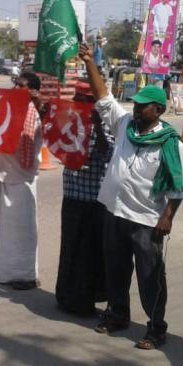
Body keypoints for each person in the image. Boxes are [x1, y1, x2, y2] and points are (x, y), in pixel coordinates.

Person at [78, 42, 183, 350]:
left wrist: (167, 217)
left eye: (143, 106)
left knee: (150, 276)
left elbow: (178, 187)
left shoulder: (170, 142)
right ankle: (117, 314)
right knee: (115, 269)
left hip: (146, 219)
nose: (137, 109)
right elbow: (104, 97)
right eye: (136, 105)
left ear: (159, 110)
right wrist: (89, 62)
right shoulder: (125, 124)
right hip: (114, 211)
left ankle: (156, 328)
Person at [56, 85, 115, 316]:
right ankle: (66, 295)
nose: (80, 103)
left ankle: (87, 299)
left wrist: (97, 125)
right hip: (72, 194)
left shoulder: (108, 123)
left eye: (85, 99)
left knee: (90, 252)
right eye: (77, 98)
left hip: (94, 198)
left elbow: (107, 152)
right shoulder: (69, 120)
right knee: (70, 248)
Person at [0, 72, 45, 289]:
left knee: (23, 231)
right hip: (4, 175)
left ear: (31, 91)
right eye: (16, 85)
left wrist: (37, 104)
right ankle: (3, 271)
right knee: (2, 227)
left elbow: (24, 148)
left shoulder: (32, 116)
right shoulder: (10, 110)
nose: (16, 89)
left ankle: (26, 275)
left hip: (23, 181)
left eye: (22, 86)